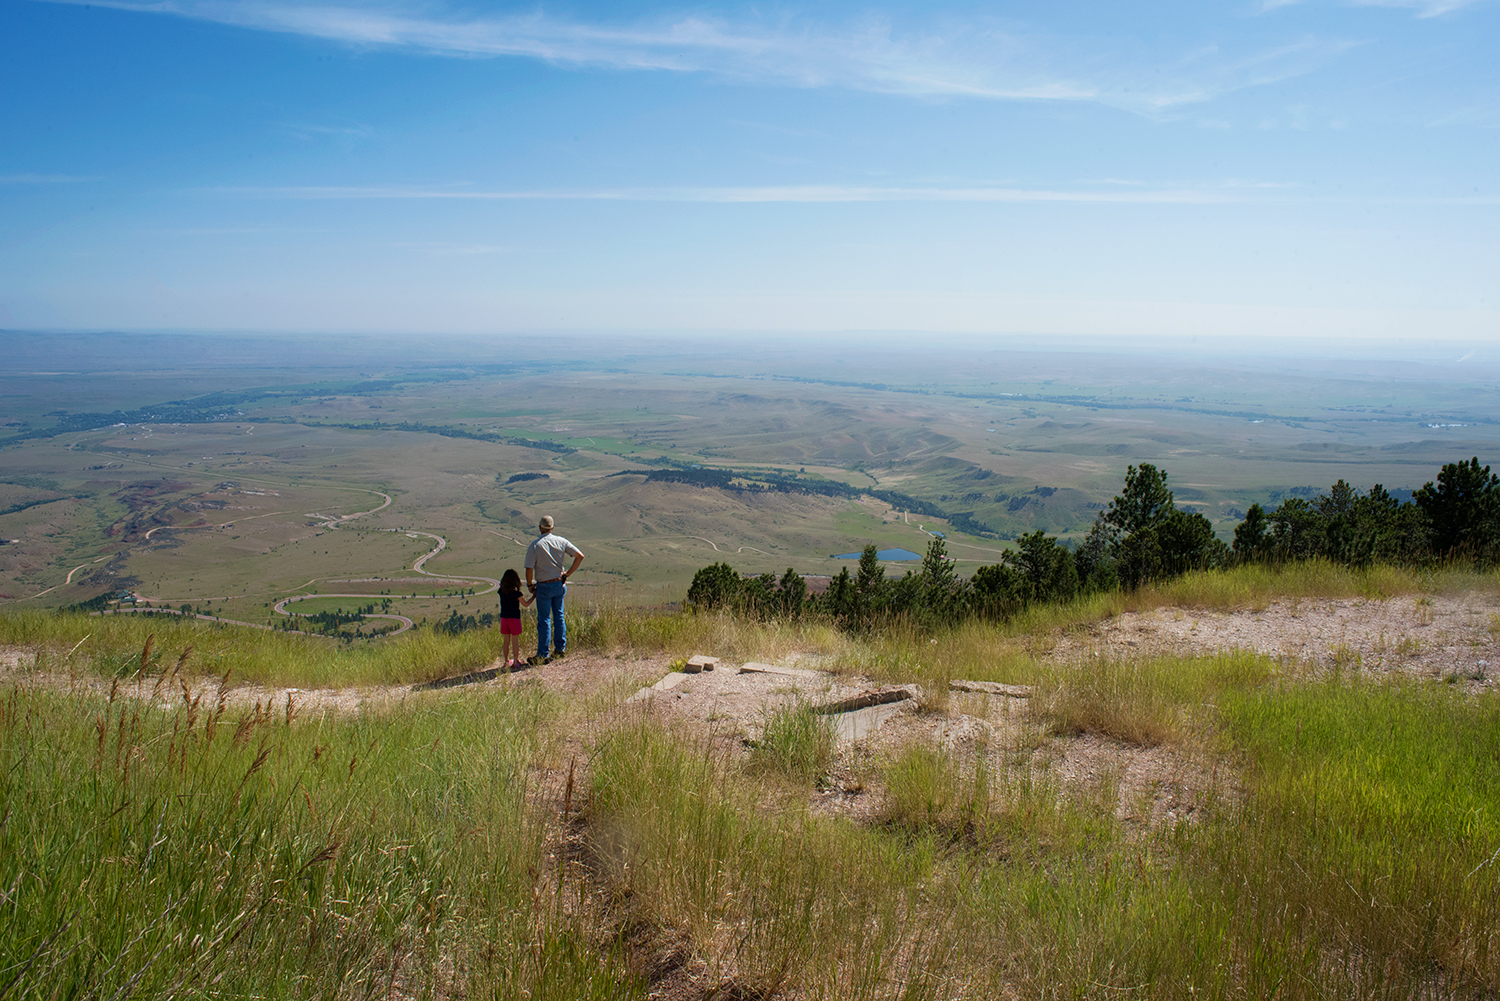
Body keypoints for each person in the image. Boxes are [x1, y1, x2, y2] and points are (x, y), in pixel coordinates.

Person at [524, 514, 583, 664]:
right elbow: (579, 556)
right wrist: (567, 574)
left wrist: (530, 584)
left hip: (543, 585)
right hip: (559, 583)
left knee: (544, 619)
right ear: (552, 528)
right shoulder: (561, 541)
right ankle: (560, 649)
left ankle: (543, 654)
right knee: (559, 616)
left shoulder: (535, 545)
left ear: (539, 528)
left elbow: (529, 568)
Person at [496, 568, 533, 669]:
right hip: (514, 619)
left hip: (504, 618)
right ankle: (516, 661)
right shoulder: (517, 594)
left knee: (506, 641)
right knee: (515, 641)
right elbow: (526, 604)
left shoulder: (501, 591)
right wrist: (534, 596)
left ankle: (506, 660)